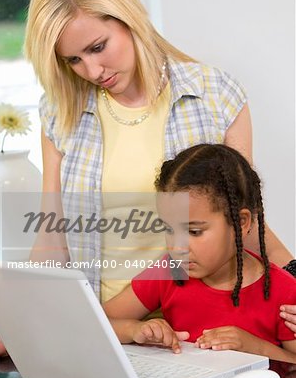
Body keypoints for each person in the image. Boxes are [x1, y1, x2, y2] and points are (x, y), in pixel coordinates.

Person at [0, 0, 296, 356]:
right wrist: (22, 324)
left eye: (98, 46)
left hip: (196, 334)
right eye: (73, 59)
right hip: (111, 327)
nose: (92, 71)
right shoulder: (61, 113)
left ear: (127, 18)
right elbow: (53, 239)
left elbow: (247, 219)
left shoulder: (215, 95)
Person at [103, 144, 296, 363]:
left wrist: (256, 347)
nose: (177, 247)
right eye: (168, 229)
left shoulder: (284, 292)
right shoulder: (170, 270)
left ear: (240, 222)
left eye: (194, 231)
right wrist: (134, 329)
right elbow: (98, 322)